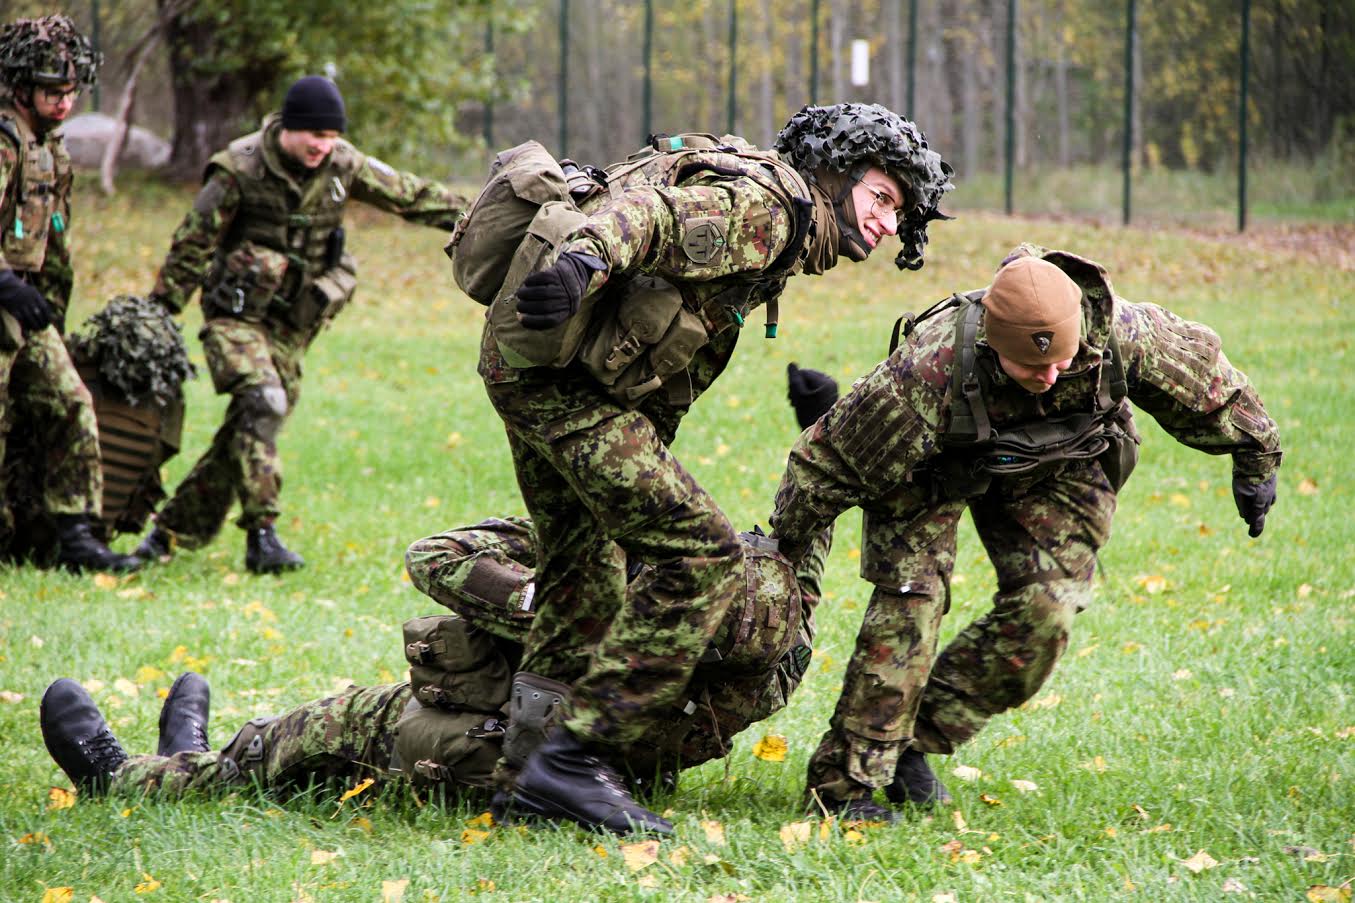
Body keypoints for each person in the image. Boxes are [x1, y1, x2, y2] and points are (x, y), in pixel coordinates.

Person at [39, 368, 844, 831]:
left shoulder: (674, 609)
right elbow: (803, 550)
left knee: (334, 726)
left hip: (501, 745)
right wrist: (822, 424)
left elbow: (434, 557)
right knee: (306, 733)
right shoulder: (775, 647)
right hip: (584, 750)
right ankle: (198, 745)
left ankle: (139, 778)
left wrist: (573, 610)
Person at [473, 102, 953, 834]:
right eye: (881, 197)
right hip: (558, 386)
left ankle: (524, 783)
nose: (887, 223)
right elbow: (652, 214)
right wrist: (584, 259)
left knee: (581, 569)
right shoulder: (774, 209)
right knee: (702, 553)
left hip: (531, 372)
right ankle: (574, 760)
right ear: (834, 170)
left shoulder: (777, 218)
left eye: (899, 212)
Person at [767, 245, 1283, 821]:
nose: (1050, 374)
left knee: (1046, 613)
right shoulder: (928, 371)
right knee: (909, 605)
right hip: (932, 470)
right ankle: (846, 787)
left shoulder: (1124, 335)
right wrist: (786, 559)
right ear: (993, 346)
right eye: (1031, 368)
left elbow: (1214, 388)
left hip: (1057, 462)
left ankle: (915, 739)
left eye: (1060, 362)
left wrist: (1256, 461)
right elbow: (825, 466)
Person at [133, 76, 467, 574]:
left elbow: (412, 197)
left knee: (252, 428)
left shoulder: (342, 163)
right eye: (313, 133)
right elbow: (193, 243)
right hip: (236, 316)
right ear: (287, 126)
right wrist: (159, 314)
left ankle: (169, 532)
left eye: (330, 136)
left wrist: (489, 216)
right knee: (262, 401)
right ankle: (262, 537)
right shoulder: (238, 168)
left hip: (293, 325)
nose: (321, 145)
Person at [0, 14, 139, 572]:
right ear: (21, 87)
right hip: (6, 297)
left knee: (71, 401)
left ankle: (75, 536)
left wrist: (48, 305)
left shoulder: (47, 145)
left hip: (25, 306)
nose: (63, 103)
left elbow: (53, 235)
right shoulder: (5, 142)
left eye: (70, 92)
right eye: (51, 92)